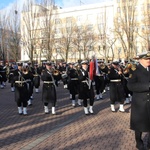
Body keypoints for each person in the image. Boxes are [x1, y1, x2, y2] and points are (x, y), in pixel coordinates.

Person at [127, 51, 150, 150]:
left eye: (149, 59)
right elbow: (130, 86)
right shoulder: (134, 70)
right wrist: (147, 86)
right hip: (140, 101)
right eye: (146, 59)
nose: (149, 60)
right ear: (140, 60)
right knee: (139, 124)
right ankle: (139, 142)